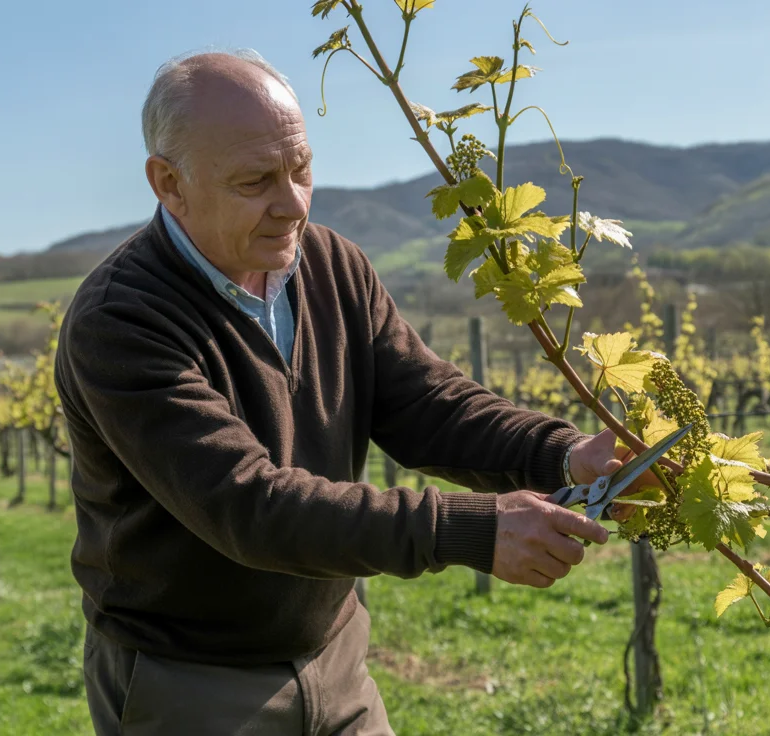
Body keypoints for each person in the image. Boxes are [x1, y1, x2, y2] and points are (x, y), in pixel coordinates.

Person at [54, 48, 641, 735]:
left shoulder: (332, 264)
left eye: (301, 168)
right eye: (256, 181)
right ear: (169, 183)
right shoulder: (121, 321)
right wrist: (470, 529)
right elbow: (249, 505)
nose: (293, 203)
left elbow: (426, 406)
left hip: (336, 658)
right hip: (191, 684)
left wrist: (565, 453)